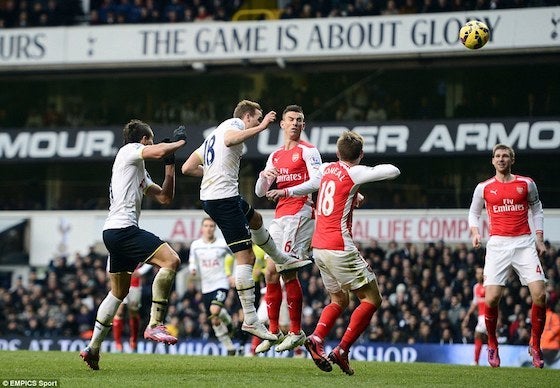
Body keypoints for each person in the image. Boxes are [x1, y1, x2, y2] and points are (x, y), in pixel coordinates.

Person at [267, 131, 400, 375]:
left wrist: (287, 191)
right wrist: (362, 176)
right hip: (340, 246)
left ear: (338, 152)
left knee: (339, 300)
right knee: (372, 299)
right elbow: (392, 171)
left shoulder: (327, 168)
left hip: (319, 248)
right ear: (360, 154)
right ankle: (342, 350)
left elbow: (312, 184)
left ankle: (317, 338)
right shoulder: (354, 171)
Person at [181, 100, 311, 342]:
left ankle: (281, 258)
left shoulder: (214, 133)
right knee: (246, 257)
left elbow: (188, 167)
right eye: (256, 117)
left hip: (220, 196)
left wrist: (210, 172)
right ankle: (251, 320)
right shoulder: (233, 125)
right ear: (248, 117)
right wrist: (262, 127)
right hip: (222, 198)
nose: (258, 122)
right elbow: (232, 139)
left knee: (256, 218)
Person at [80, 120, 187, 370]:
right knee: (171, 261)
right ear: (143, 140)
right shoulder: (128, 152)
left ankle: (93, 349)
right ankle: (155, 325)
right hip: (123, 229)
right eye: (150, 140)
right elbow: (158, 151)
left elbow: (164, 197)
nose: (151, 145)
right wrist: (179, 144)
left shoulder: (139, 170)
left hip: (114, 233)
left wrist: (170, 166)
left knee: (118, 293)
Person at [468, 143, 547, 369]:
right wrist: (475, 233)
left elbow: (537, 208)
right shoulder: (483, 188)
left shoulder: (526, 183)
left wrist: (539, 238)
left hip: (524, 242)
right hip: (498, 245)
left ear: (512, 160)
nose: (501, 159)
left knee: (540, 295)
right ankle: (492, 343)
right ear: (492, 161)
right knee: (491, 299)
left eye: (505, 156)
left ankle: (536, 344)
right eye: (498, 156)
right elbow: (474, 213)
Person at [253, 104, 322, 353]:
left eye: (299, 120)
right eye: (291, 119)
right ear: (282, 124)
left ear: (303, 125)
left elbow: (317, 180)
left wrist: (286, 190)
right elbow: (260, 192)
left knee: (285, 270)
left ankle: (295, 331)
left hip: (300, 214)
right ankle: (274, 332)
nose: (295, 123)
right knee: (270, 273)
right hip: (280, 216)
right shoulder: (276, 156)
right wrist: (263, 176)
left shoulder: (309, 151)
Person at [188, 217, 237, 355]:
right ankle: (230, 348)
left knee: (214, 310)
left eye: (211, 226)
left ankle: (228, 324)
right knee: (214, 320)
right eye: (206, 226)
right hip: (206, 286)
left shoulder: (222, 244)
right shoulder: (196, 245)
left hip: (221, 282)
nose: (209, 228)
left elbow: (237, 257)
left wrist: (233, 274)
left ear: (215, 228)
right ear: (202, 228)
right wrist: (192, 268)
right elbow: (192, 259)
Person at [112, 263, 153, 352]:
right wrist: (109, 270)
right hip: (120, 281)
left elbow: (151, 259)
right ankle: (117, 342)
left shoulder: (140, 249)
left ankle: (134, 339)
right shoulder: (119, 248)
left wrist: (140, 271)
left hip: (135, 284)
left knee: (133, 312)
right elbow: (111, 255)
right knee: (119, 311)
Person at [462, 266, 487, 365]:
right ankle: (492, 358)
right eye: (477, 273)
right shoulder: (476, 287)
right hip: (480, 317)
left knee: (478, 334)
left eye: (481, 273)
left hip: (487, 315)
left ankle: (476, 361)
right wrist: (468, 315)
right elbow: (475, 302)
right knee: (484, 337)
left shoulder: (488, 286)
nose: (479, 275)